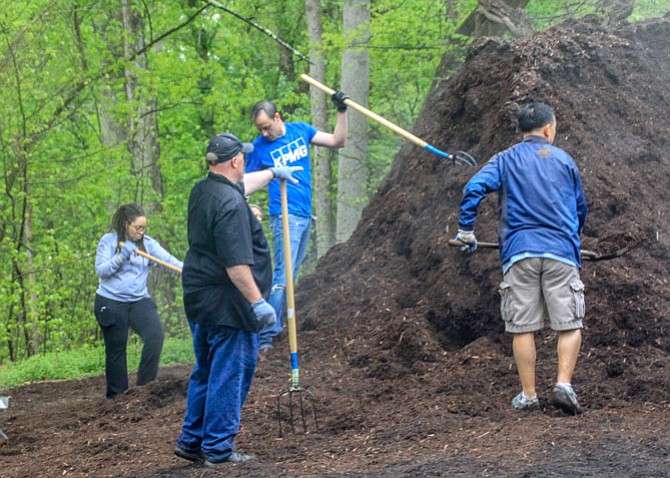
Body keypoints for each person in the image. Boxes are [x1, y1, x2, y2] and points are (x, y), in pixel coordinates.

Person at [174, 133, 302, 467]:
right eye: (243, 156)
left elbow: (240, 186)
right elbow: (236, 264)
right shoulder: (231, 205)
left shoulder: (204, 190)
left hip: (200, 296)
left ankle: (192, 441)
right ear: (235, 161)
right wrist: (258, 303)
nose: (245, 160)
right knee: (230, 373)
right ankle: (218, 448)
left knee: (205, 369)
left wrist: (273, 173)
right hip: (229, 302)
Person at [454, 101, 588, 415]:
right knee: (569, 322)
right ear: (548, 128)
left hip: (519, 252)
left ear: (521, 131)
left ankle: (529, 395)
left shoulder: (505, 159)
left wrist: (465, 231)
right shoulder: (565, 160)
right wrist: (572, 237)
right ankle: (563, 384)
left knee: (523, 325)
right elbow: (581, 208)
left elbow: (473, 188)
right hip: (561, 252)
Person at [245, 93, 349, 350]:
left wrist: (341, 111)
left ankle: (274, 330)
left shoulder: (301, 130)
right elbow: (243, 185)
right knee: (283, 274)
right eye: (260, 129)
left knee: (290, 276)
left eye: (267, 127)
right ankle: (266, 336)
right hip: (284, 215)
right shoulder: (258, 148)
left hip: (305, 215)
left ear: (277, 117)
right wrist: (250, 209)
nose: (264, 133)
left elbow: (338, 141)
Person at [94, 203, 183, 399]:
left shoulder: (148, 244)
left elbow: (169, 262)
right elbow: (101, 270)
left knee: (155, 336)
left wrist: (190, 272)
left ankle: (144, 388)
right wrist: (120, 258)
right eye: (138, 228)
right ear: (127, 224)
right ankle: (118, 398)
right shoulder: (108, 242)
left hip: (138, 301)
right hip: (110, 302)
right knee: (116, 349)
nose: (141, 232)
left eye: (144, 228)